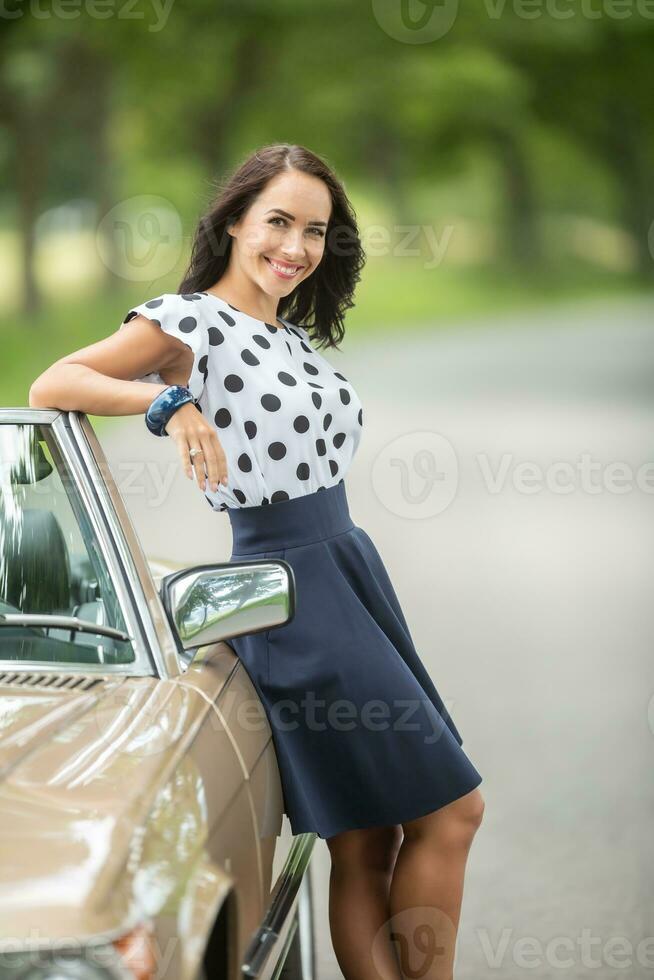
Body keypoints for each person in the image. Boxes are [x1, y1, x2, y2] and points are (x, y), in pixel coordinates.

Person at [30, 142, 485, 980]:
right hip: (289, 590)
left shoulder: (285, 334)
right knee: (452, 812)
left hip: (348, 572)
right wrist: (170, 403)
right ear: (234, 221)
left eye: (315, 231)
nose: (297, 246)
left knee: (369, 839)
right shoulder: (189, 320)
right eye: (278, 221)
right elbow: (54, 382)